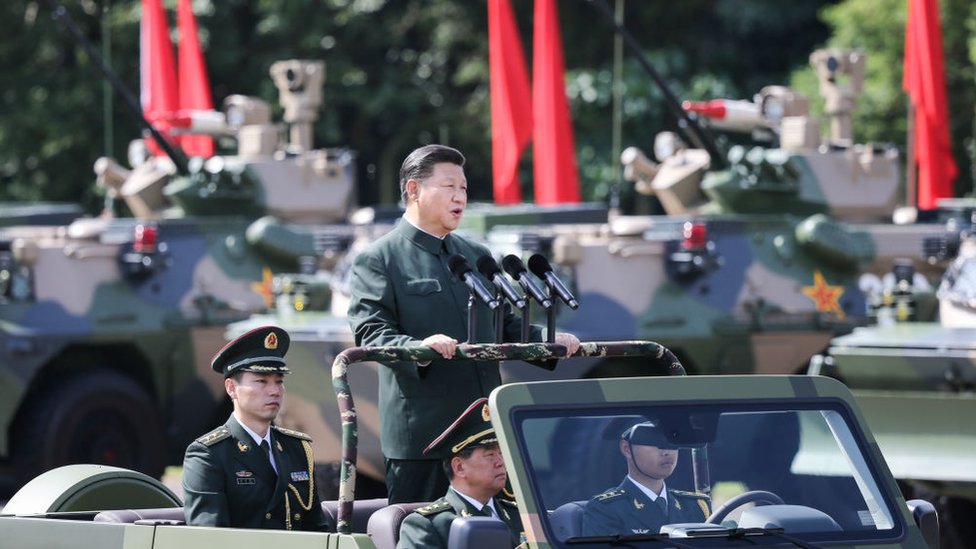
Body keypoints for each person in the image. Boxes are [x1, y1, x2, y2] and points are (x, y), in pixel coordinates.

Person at [347, 143, 580, 504]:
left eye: (464, 189)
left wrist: (549, 341)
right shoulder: (379, 259)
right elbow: (371, 332)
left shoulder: (475, 256)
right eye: (449, 186)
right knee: (423, 536)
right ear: (413, 190)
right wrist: (421, 349)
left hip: (486, 434)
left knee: (499, 533)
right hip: (424, 439)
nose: (460, 197)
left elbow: (504, 325)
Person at [182, 325, 333, 531]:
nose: (274, 391)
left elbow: (317, 529)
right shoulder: (208, 454)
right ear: (231, 388)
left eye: (279, 381)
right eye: (261, 381)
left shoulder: (297, 448)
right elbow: (209, 537)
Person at [397, 398, 524, 548]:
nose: (500, 462)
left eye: (501, 453)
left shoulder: (520, 515)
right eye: (490, 455)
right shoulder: (429, 525)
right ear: (459, 467)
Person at [581, 420, 711, 536]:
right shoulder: (605, 510)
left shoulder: (695, 506)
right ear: (626, 449)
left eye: (671, 441)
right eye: (653, 441)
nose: (666, 451)